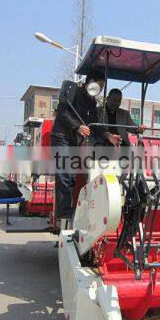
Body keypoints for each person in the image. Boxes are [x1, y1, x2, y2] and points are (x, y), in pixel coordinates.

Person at [50, 71, 119, 219]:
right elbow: (62, 114)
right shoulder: (73, 91)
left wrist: (109, 136)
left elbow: (96, 126)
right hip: (62, 137)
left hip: (75, 142)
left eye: (101, 87)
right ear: (89, 82)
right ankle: (63, 214)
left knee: (72, 177)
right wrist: (78, 127)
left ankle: (70, 212)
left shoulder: (92, 103)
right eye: (97, 85)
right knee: (64, 175)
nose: (98, 89)